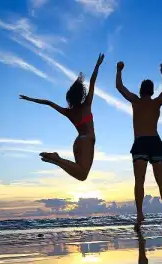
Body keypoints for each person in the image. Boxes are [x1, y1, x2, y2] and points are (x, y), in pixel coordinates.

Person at [19, 53, 105, 181]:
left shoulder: (68, 112)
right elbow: (92, 82)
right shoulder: (87, 105)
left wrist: (29, 98)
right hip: (87, 140)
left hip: (78, 142)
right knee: (83, 174)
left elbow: (49, 103)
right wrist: (97, 66)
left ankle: (56, 160)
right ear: (81, 95)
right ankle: (57, 159)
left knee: (80, 175)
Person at [116, 61, 162, 227]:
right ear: (152, 91)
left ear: (141, 90)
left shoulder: (135, 100)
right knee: (160, 179)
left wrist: (119, 70)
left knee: (139, 181)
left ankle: (140, 214)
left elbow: (119, 86)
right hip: (154, 141)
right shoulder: (156, 102)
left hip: (141, 142)